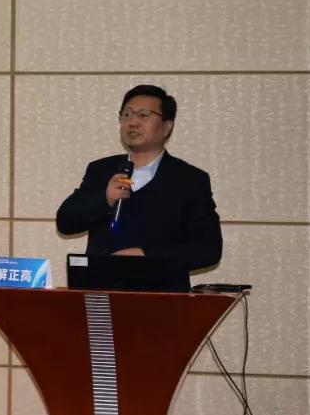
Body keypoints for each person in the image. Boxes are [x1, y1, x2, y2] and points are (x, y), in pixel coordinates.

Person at [55, 84, 222, 277]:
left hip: (160, 290)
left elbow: (208, 248)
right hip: (102, 286)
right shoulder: (101, 170)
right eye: (127, 114)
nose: (132, 122)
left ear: (167, 126)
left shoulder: (189, 179)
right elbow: (65, 222)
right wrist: (104, 199)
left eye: (143, 115)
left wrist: (147, 255)